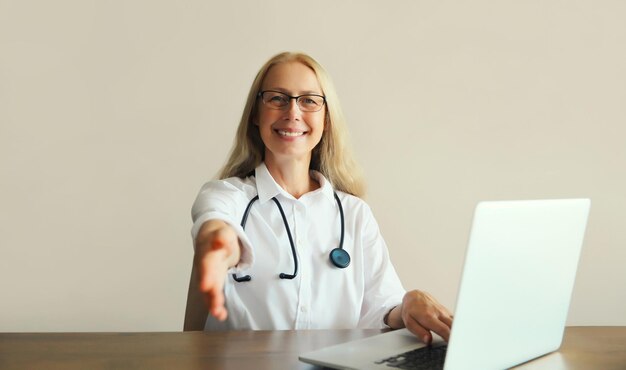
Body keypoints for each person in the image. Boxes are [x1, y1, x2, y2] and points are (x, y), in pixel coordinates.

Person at [190, 51, 452, 344]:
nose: (292, 113)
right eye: (277, 98)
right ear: (255, 114)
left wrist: (408, 306)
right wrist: (220, 244)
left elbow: (382, 307)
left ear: (326, 119)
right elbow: (215, 223)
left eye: (309, 101)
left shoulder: (355, 214)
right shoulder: (227, 195)